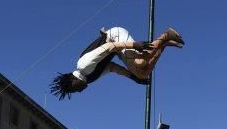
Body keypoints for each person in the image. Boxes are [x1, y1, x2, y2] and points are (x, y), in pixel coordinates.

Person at [50, 26, 184, 99]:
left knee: (139, 64)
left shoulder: (83, 65)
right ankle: (164, 44)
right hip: (116, 49)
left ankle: (166, 35)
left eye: (76, 89)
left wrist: (134, 45)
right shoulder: (90, 77)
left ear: (73, 81)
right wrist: (133, 78)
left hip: (115, 38)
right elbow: (112, 67)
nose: (79, 91)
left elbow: (109, 47)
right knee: (142, 74)